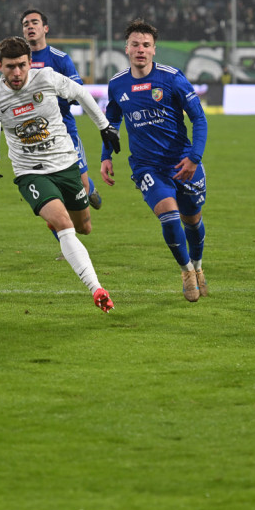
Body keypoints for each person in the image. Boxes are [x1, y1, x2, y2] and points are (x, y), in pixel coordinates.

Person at [0, 36, 122, 314]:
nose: (17, 72)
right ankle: (97, 289)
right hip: (30, 173)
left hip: (66, 164)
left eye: (22, 65)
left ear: (30, 63)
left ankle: (71, 204)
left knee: (84, 228)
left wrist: (104, 127)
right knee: (64, 224)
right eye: (10, 67)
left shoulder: (46, 78)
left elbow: (80, 94)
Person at [100, 19, 210, 302]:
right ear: (126, 49)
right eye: (135, 44)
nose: (140, 49)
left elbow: (198, 118)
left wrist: (194, 158)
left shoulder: (172, 78)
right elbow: (110, 120)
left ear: (154, 50)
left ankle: (198, 266)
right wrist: (106, 155)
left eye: (146, 45)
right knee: (169, 216)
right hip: (147, 166)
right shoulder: (117, 84)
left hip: (183, 163)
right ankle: (186, 271)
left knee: (192, 221)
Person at [21, 8, 103, 210]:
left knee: (81, 187)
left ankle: (89, 186)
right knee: (54, 194)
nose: (30, 26)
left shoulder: (60, 58)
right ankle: (65, 232)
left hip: (64, 130)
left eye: (34, 22)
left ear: (45, 28)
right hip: (35, 134)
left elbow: (77, 92)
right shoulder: (20, 62)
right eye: (25, 24)